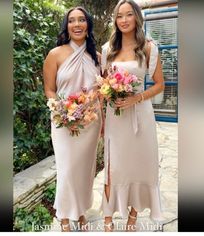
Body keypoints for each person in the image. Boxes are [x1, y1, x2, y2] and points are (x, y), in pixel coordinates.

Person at [101, 0, 165, 232]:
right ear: (115, 20)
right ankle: (108, 218)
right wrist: (106, 105)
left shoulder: (148, 47)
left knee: (141, 164)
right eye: (120, 16)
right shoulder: (108, 49)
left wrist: (136, 98)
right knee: (113, 167)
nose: (124, 20)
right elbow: (103, 84)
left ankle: (133, 217)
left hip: (140, 115)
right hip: (115, 117)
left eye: (129, 15)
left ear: (137, 18)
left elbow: (160, 85)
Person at [43, 6, 102, 232]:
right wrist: (62, 109)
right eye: (71, 21)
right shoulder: (55, 54)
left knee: (84, 170)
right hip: (63, 121)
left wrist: (103, 122)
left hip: (90, 122)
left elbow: (101, 92)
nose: (76, 24)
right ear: (66, 26)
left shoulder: (97, 57)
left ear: (88, 25)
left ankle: (79, 211)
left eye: (81, 20)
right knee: (67, 169)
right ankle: (64, 216)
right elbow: (49, 89)